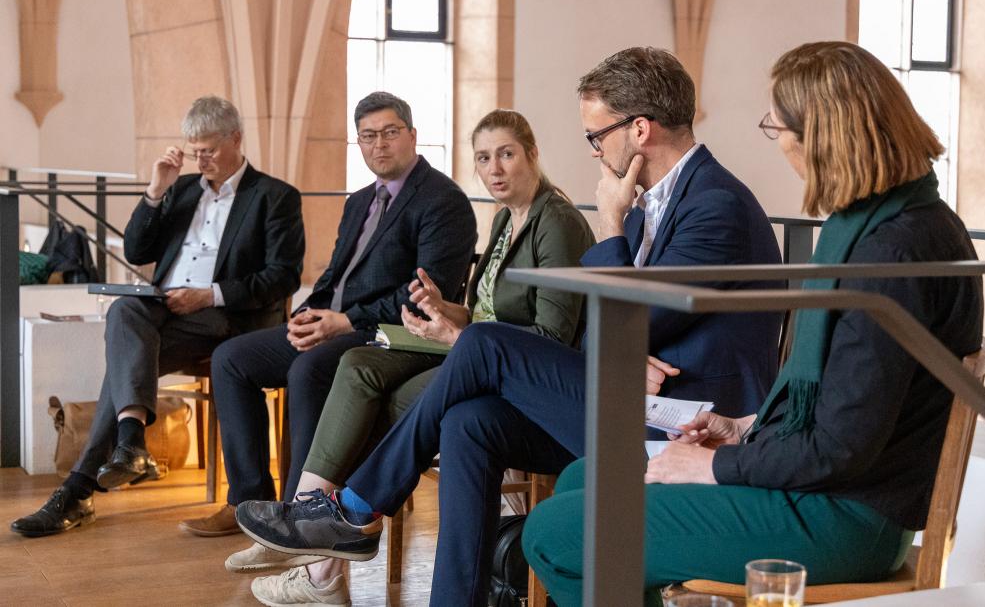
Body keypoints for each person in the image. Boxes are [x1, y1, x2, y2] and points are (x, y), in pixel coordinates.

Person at [233, 47, 784, 606]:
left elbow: (626, 322)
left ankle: (356, 508)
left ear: (638, 130)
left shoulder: (712, 204)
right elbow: (605, 331)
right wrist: (621, 344)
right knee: (469, 423)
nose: (594, 150)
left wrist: (612, 227)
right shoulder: (649, 205)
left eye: (596, 136)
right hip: (632, 401)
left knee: (483, 342)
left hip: (691, 425)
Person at [520, 41, 985, 606]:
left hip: (845, 518)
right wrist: (742, 427)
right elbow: (843, 404)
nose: (782, 144)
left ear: (824, 136)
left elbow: (840, 449)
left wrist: (719, 465)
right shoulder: (887, 226)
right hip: (833, 492)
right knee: (578, 481)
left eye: (779, 128)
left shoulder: (896, 253)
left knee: (553, 530)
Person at [234, 108, 596, 605]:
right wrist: (448, 311)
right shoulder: (505, 221)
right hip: (478, 354)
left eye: (507, 154)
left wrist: (459, 336)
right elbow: (488, 314)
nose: (495, 168)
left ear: (532, 154)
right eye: (484, 158)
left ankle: (330, 532)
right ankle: (313, 518)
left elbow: (548, 337)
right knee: (358, 364)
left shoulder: (556, 222)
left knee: (386, 399)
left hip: (522, 380)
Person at [178, 91, 477, 536]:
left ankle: (298, 513)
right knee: (231, 359)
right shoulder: (359, 201)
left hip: (389, 333)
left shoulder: (442, 201)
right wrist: (307, 315)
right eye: (368, 136)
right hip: (332, 324)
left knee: (309, 369)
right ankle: (250, 500)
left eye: (390, 133)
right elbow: (333, 277)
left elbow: (422, 295)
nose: (380, 144)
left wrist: (345, 322)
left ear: (413, 136)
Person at [10, 95, 305, 537]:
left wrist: (209, 295)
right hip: (166, 314)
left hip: (229, 320)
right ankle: (127, 445)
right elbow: (136, 251)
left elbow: (283, 277)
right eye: (194, 150)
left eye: (209, 149)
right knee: (126, 310)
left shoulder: (274, 196)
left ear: (236, 138)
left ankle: (83, 487)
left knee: (125, 358)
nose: (200, 159)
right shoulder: (182, 189)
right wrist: (154, 192)